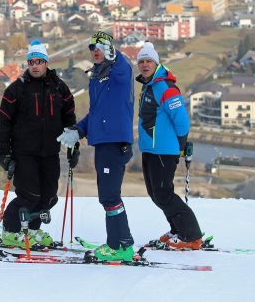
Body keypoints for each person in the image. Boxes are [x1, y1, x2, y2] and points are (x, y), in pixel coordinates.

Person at [57, 31, 135, 262]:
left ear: (109, 49)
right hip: (102, 143)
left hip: (115, 143)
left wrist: (116, 55)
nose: (95, 50)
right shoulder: (97, 77)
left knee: (110, 196)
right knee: (108, 196)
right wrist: (77, 131)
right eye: (92, 47)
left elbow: (125, 68)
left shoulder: (119, 72)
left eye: (101, 46)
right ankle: (123, 241)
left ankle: (118, 246)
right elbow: (96, 113)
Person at [0, 40, 77, 248]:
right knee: (29, 195)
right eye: (31, 62)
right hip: (24, 152)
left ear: (46, 62)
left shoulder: (59, 88)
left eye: (39, 61)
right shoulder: (16, 90)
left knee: (49, 197)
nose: (35, 66)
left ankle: (31, 230)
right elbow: (4, 121)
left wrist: (73, 147)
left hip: (50, 152)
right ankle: (10, 232)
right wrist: (4, 152)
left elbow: (70, 119)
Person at [135, 42, 203, 249]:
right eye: (141, 61)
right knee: (156, 195)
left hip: (164, 150)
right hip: (150, 149)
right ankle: (177, 229)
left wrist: (180, 146)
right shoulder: (149, 86)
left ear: (156, 63)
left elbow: (181, 121)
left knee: (164, 194)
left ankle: (192, 236)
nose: (145, 65)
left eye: (149, 61)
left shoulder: (165, 87)